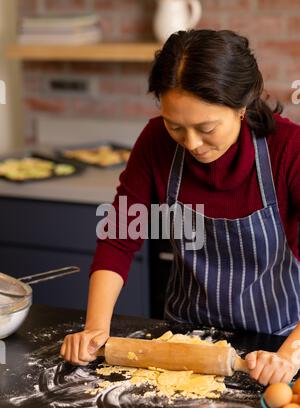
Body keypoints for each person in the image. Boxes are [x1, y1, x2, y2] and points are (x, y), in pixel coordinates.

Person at [61, 29, 300, 385]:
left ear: (242, 106)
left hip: (277, 343)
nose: (191, 144)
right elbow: (118, 238)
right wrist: (95, 331)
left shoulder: (288, 149)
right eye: (176, 126)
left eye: (206, 128)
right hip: (185, 340)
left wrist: (289, 354)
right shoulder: (155, 143)